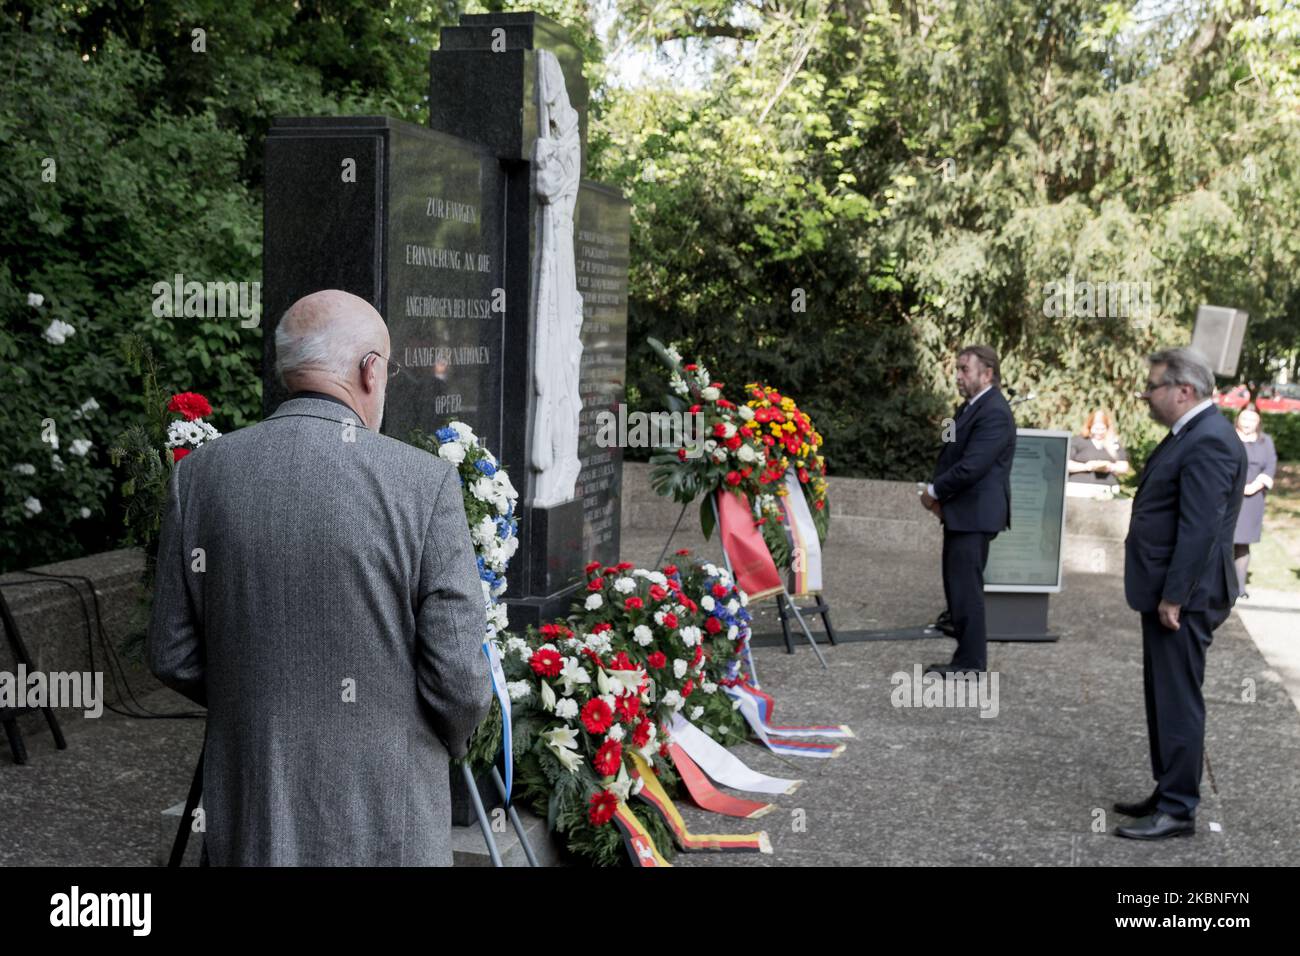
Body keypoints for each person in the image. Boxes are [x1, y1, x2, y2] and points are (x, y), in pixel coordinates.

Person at [148, 289, 492, 866]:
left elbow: (172, 653)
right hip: (390, 816)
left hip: (253, 811)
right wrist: (442, 743)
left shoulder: (201, 478)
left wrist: (256, 701)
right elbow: (460, 678)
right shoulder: (423, 484)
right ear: (369, 369)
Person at [1115, 347, 1247, 840]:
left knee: (1178, 701)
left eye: (1153, 387)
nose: (1146, 395)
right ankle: (1169, 788)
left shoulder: (1208, 439)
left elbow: (1200, 530)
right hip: (1170, 592)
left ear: (1183, 390)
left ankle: (1177, 810)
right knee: (1163, 696)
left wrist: (1175, 596)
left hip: (1185, 598)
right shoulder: (1193, 433)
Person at [919, 345, 1017, 674]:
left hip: (975, 515)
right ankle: (966, 657)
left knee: (966, 590)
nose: (958, 376)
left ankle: (971, 663)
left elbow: (972, 466)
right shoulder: (969, 408)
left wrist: (933, 492)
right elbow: (952, 454)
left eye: (964, 369)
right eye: (958, 369)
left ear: (987, 373)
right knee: (958, 587)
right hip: (963, 513)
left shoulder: (994, 411)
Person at [1231, 406, 1278, 598]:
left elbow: (1270, 467)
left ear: (1258, 422)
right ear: (1238, 420)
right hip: (1229, 495)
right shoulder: (1228, 438)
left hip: (1252, 499)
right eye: (1244, 419)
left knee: (1243, 543)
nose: (1248, 423)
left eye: (1252, 420)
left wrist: (1255, 486)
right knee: (1223, 541)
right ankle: (1219, 583)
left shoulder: (1265, 442)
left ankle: (1240, 587)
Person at [1067, 409, 1129, 499]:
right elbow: (1066, 464)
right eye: (1096, 429)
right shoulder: (1078, 441)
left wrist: (1109, 467)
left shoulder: (1113, 443)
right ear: (1089, 426)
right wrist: (1088, 466)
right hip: (1079, 488)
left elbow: (1124, 466)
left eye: (1102, 429)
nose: (1099, 432)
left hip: (1107, 489)